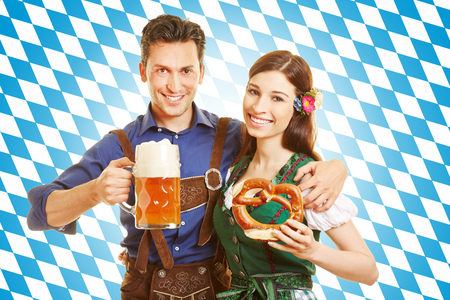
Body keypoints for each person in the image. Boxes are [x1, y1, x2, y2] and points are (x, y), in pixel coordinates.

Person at [27, 15, 349, 299]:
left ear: (201, 72)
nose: (174, 84)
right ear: (143, 71)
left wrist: (338, 167)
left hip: (223, 290)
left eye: (186, 70)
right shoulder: (119, 145)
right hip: (144, 290)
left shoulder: (237, 136)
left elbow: (284, 152)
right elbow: (41, 214)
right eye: (162, 71)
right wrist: (94, 191)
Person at [213, 50, 379, 299]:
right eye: (254, 92)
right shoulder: (233, 169)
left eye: (277, 98)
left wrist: (313, 250)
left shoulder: (308, 178)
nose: (259, 107)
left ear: (299, 107)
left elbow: (369, 271)